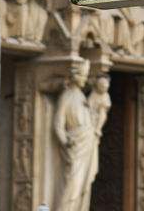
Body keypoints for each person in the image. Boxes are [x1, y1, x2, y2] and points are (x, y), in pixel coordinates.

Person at [54, 60, 105, 211]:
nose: (85, 79)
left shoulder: (83, 98)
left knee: (84, 186)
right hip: (75, 146)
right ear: (75, 76)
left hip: (87, 143)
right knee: (72, 186)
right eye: (83, 75)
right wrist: (65, 141)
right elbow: (58, 123)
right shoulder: (66, 96)